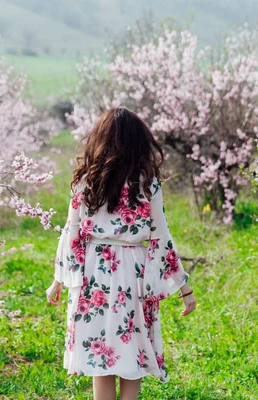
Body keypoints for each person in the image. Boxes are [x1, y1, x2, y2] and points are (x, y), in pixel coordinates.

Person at [46, 107, 197, 400]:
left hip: (94, 272)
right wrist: (184, 286)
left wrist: (59, 280)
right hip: (133, 271)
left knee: (100, 358)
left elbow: (71, 232)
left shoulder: (86, 180)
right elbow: (160, 237)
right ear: (139, 141)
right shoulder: (147, 183)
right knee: (134, 353)